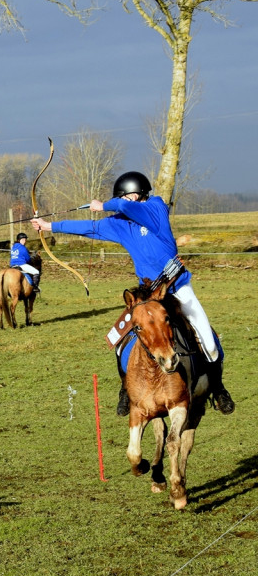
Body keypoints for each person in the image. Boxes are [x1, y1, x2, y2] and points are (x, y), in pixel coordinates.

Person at [31, 171, 235, 416]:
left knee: (209, 342)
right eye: (123, 198)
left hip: (178, 288)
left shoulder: (155, 208)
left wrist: (102, 204)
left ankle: (219, 388)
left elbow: (121, 206)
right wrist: (48, 225)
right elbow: (89, 227)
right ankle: (125, 388)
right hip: (148, 295)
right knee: (121, 340)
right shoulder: (120, 224)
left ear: (139, 195)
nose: (125, 201)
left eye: (128, 197)